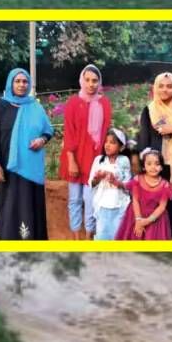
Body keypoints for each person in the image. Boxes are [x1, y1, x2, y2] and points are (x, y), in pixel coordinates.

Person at [0, 68, 53, 239]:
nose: (22, 85)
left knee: (31, 206)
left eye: (25, 82)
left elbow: (48, 131)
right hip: (8, 169)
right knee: (10, 207)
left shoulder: (35, 107)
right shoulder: (0, 107)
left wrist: (42, 140)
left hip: (32, 169)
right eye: (17, 81)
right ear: (11, 83)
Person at [136, 73, 172, 238]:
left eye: (169, 86)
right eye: (161, 86)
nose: (165, 90)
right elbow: (144, 140)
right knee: (156, 209)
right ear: (155, 87)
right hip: (157, 168)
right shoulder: (150, 110)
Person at [60, 65, 112, 239]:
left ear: (99, 82)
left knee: (91, 201)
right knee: (74, 199)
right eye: (87, 80)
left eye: (95, 81)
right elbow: (69, 132)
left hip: (95, 160)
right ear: (82, 81)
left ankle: (89, 236)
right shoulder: (74, 103)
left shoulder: (104, 103)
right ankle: (76, 238)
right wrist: (71, 160)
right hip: (74, 157)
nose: (91, 84)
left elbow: (105, 132)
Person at [116, 149, 172, 240]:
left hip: (155, 219)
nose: (153, 167)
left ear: (162, 167)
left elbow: (162, 207)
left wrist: (146, 221)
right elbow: (135, 200)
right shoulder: (137, 180)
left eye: (157, 164)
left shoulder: (165, 185)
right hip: (136, 214)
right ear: (143, 167)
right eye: (149, 164)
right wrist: (138, 220)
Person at [88, 128, 132, 241]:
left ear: (121, 147)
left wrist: (115, 181)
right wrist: (97, 178)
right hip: (102, 206)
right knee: (102, 236)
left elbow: (128, 185)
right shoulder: (99, 160)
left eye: (112, 142)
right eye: (106, 142)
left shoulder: (124, 161)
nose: (107, 145)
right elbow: (91, 183)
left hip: (120, 206)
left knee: (118, 237)